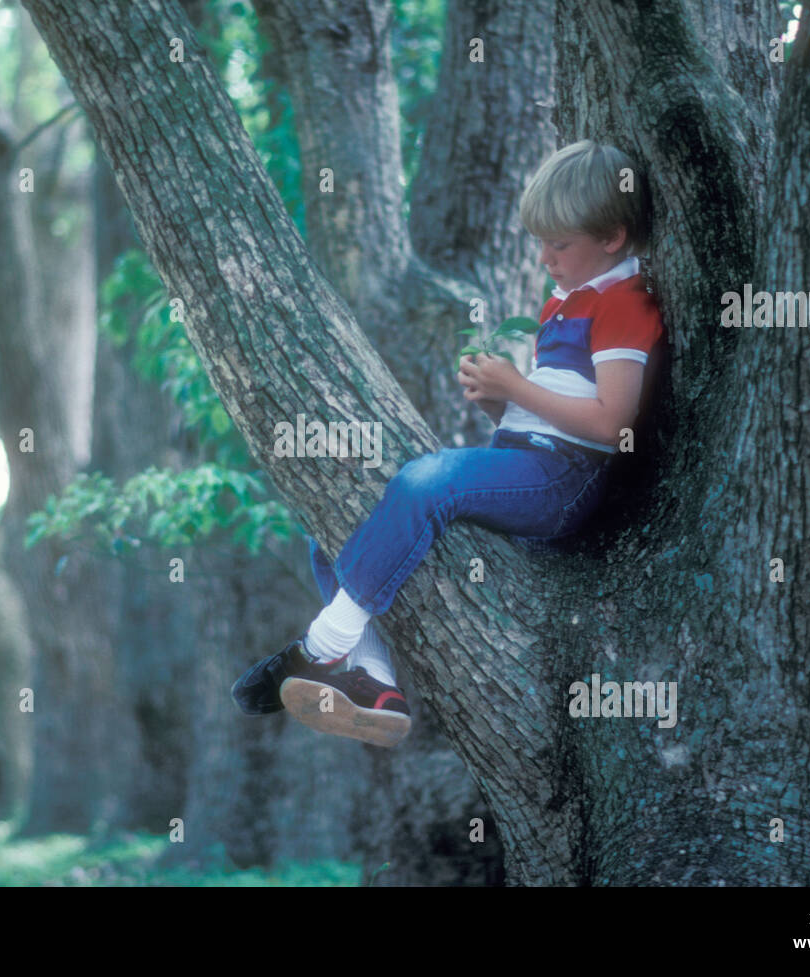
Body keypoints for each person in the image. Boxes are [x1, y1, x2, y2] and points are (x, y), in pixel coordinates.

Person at [231, 140, 665, 747]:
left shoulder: (626, 302)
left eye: (559, 245)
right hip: (527, 459)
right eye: (540, 243)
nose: (544, 258)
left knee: (425, 482)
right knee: (330, 527)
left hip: (565, 479)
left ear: (613, 238)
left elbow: (613, 424)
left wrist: (517, 386)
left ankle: (321, 645)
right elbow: (551, 407)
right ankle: (375, 683)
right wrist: (499, 400)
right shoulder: (564, 300)